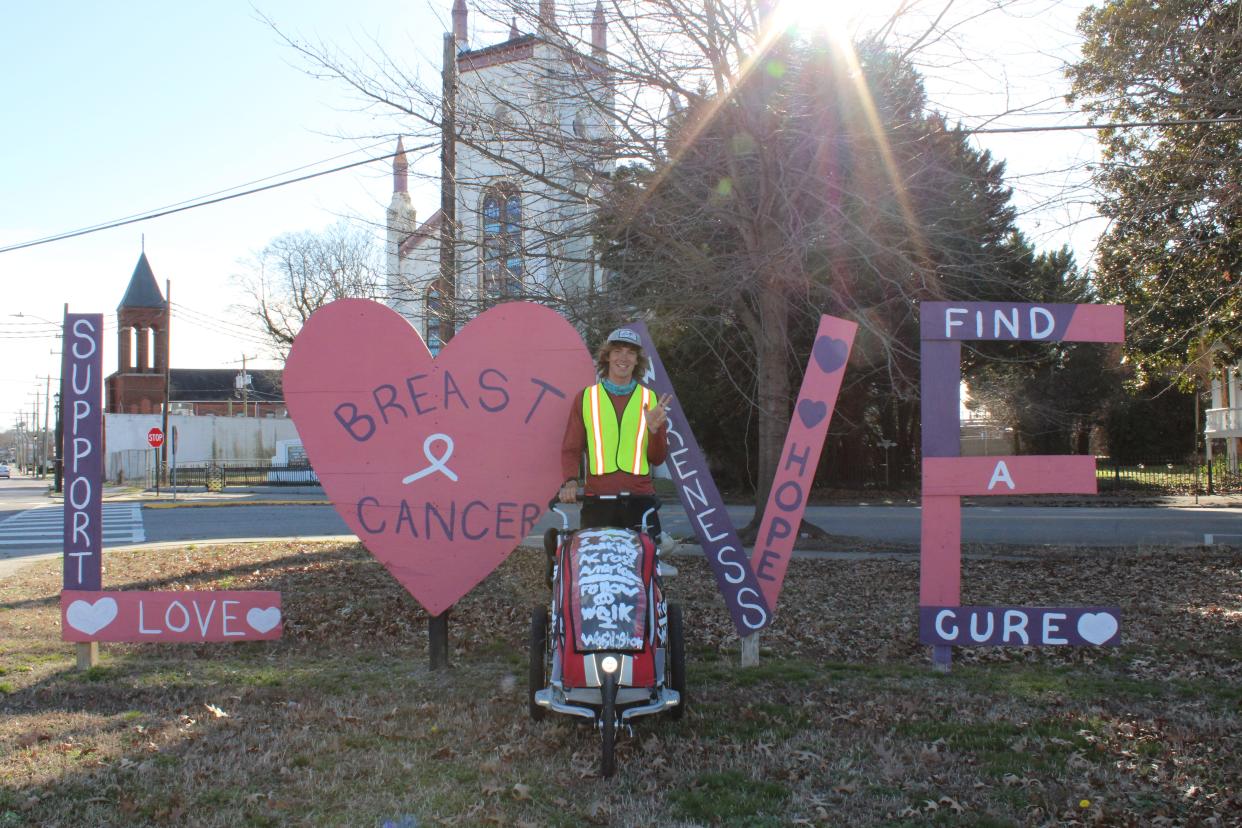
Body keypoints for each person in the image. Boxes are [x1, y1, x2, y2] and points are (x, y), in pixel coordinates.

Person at [559, 327, 676, 571]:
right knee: (594, 568)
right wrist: (570, 481)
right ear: (607, 357)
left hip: (640, 498)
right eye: (618, 351)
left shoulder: (650, 399)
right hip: (597, 499)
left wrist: (654, 431)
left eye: (630, 353)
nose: (624, 358)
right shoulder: (587, 398)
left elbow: (657, 458)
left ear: (637, 360)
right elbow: (571, 447)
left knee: (644, 569)